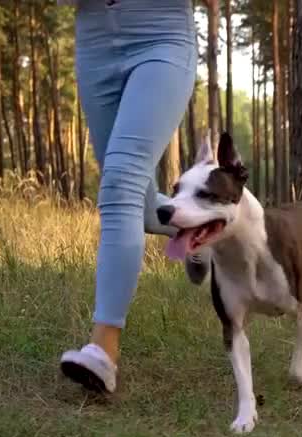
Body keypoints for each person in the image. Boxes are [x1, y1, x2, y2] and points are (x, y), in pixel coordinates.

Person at [59, 0, 200, 394]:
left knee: (121, 182)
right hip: (94, 37)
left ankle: (103, 350)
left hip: (161, 33)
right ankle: (199, 230)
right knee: (136, 206)